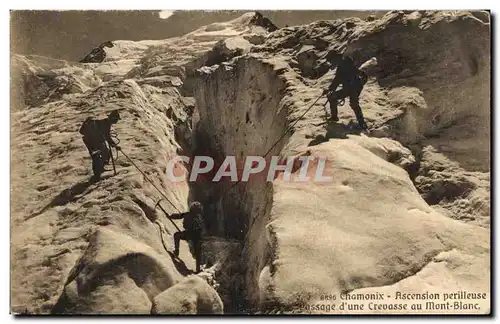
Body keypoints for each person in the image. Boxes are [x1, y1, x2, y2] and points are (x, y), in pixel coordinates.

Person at [323, 54, 368, 130]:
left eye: (331, 61)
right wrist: (330, 89)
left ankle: (362, 124)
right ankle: (334, 117)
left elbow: (337, 80)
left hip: (354, 88)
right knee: (332, 97)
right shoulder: (342, 65)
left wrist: (330, 89)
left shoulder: (346, 64)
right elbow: (337, 80)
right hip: (348, 88)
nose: (331, 63)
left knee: (354, 104)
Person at [79, 110, 120, 181]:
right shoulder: (105, 123)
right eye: (116, 120)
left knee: (106, 153)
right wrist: (114, 145)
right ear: (112, 118)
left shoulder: (106, 123)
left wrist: (113, 145)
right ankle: (97, 175)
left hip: (96, 141)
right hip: (91, 142)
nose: (116, 122)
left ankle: (101, 169)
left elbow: (106, 136)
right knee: (96, 157)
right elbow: (107, 136)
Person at [169, 201, 205, 273]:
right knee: (198, 253)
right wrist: (171, 216)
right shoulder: (198, 217)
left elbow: (179, 216)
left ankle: (176, 251)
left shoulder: (190, 215)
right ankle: (198, 269)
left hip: (191, 235)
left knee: (177, 235)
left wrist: (171, 216)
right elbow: (179, 216)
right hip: (195, 237)